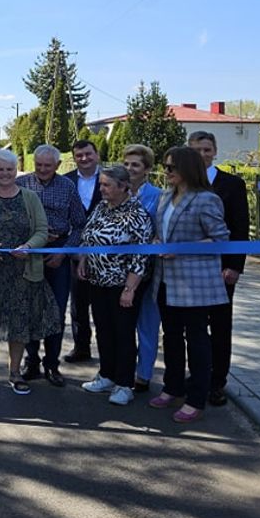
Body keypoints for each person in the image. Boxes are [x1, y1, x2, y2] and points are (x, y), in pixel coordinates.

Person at [151, 146, 230, 423]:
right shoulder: (164, 197)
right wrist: (156, 244)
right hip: (165, 279)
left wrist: (181, 249)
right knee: (170, 336)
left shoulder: (206, 199)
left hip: (195, 282)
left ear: (187, 169)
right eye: (165, 166)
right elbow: (159, 232)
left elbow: (221, 239)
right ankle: (173, 386)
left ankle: (197, 397)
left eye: (171, 167)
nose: (166, 171)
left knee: (196, 338)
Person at [0, 149, 57, 395]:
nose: (5, 174)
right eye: (0, 169)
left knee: (19, 324)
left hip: (23, 273)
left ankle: (15, 372)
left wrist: (29, 247)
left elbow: (42, 230)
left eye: (10, 169)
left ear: (16, 171)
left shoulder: (30, 198)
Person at [76, 165, 154, 406]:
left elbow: (141, 256)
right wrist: (84, 258)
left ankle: (124, 384)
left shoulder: (137, 214)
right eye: (100, 184)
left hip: (123, 285)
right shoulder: (101, 207)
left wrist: (130, 289)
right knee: (103, 330)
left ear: (123, 187)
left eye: (106, 185)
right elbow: (89, 236)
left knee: (123, 334)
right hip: (98, 282)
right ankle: (107, 375)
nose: (101, 189)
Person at [188, 130, 249, 406]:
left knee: (220, 326)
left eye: (206, 150)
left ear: (214, 152)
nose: (202, 155)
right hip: (188, 270)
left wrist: (235, 266)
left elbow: (240, 227)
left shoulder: (232, 185)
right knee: (195, 327)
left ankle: (217, 382)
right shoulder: (181, 184)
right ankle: (198, 376)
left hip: (221, 269)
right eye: (196, 150)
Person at [18, 144, 86, 387]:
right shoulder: (22, 184)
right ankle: (31, 361)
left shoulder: (68, 187)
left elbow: (80, 224)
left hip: (57, 257)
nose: (43, 170)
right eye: (39, 165)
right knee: (29, 310)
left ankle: (52, 364)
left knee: (55, 312)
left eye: (48, 166)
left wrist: (64, 251)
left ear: (58, 166)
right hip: (30, 256)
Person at [122, 144, 162, 392]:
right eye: (126, 164)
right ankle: (120, 370)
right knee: (122, 325)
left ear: (147, 169)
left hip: (148, 270)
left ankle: (143, 374)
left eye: (135, 164)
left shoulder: (158, 196)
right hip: (119, 270)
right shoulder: (116, 191)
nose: (129, 169)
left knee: (147, 323)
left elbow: (162, 229)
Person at [64, 139, 102, 364]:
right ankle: (81, 347)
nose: (84, 159)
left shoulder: (110, 179)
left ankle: (108, 349)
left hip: (105, 255)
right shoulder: (66, 181)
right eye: (79, 155)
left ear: (96, 155)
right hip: (75, 252)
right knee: (78, 304)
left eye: (88, 154)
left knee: (103, 306)